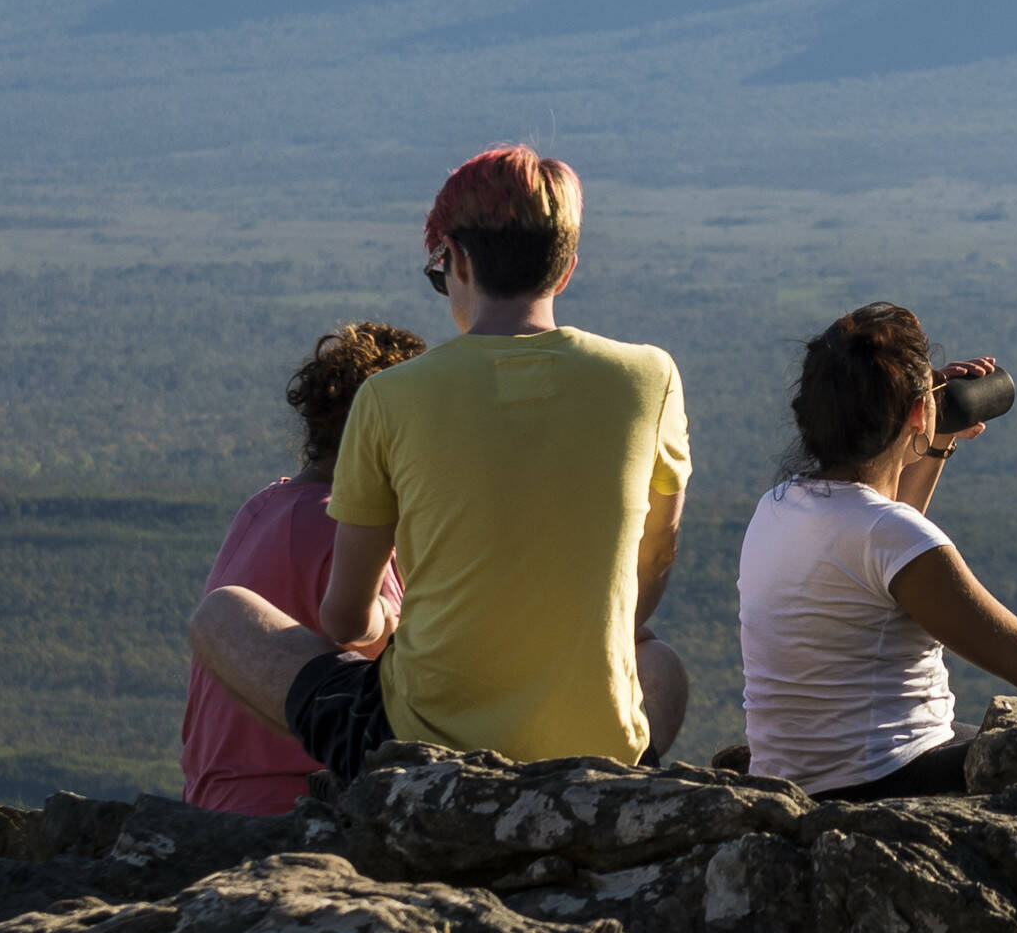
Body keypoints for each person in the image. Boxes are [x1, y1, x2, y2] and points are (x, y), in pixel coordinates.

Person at [184, 144, 692, 791]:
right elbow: (657, 555)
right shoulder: (651, 378)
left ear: (458, 260)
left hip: (425, 753)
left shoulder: (390, 397)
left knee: (221, 616)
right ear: (566, 270)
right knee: (663, 667)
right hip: (600, 747)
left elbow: (345, 621)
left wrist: (392, 626)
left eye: (439, 270)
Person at [733, 303, 1017, 799]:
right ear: (919, 410)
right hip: (880, 780)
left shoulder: (778, 505)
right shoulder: (890, 537)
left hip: (800, 780)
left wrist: (932, 435)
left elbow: (881, 540)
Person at [177, 320, 426, 817]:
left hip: (214, 799)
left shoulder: (264, 506)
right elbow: (407, 676)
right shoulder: (350, 531)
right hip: (293, 806)